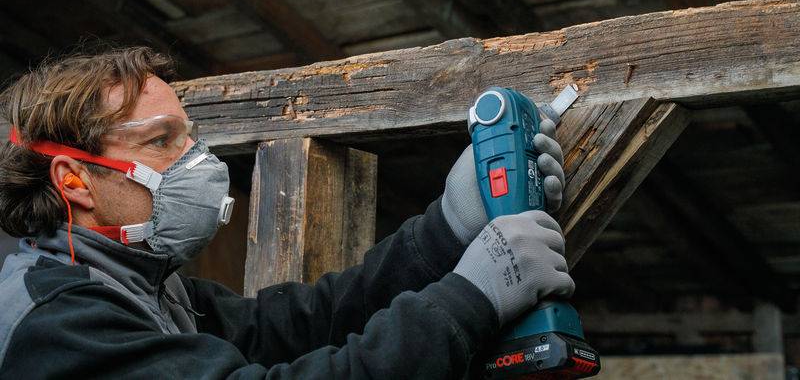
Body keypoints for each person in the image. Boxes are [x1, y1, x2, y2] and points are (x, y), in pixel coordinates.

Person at [0, 47, 574, 378]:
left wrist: (451, 225)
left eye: (190, 137)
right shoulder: (55, 325)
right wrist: (470, 298)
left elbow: (314, 321)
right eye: (160, 141)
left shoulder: (155, 293)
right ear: (73, 179)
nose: (198, 161)